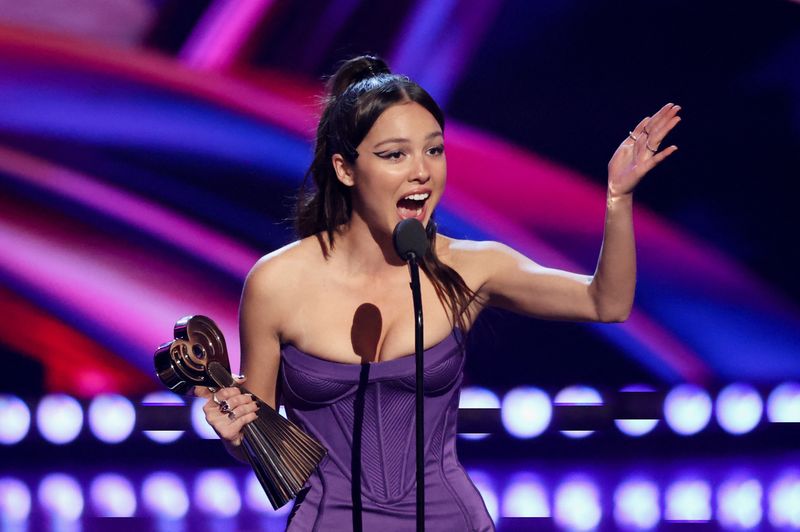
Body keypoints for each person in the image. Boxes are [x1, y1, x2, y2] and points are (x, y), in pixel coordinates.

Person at [197, 55, 681, 531]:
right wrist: (235, 431)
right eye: (394, 155)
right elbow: (256, 443)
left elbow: (607, 303)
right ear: (345, 169)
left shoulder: (471, 268)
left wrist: (619, 199)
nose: (422, 172)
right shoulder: (277, 282)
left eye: (434, 150)